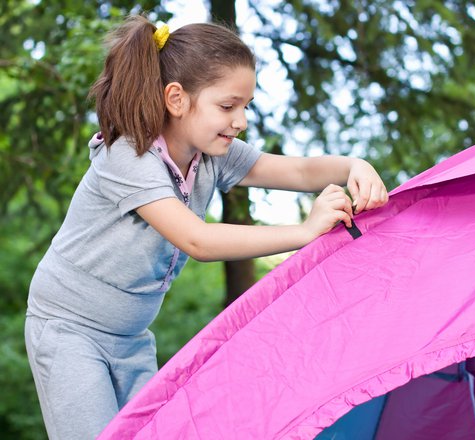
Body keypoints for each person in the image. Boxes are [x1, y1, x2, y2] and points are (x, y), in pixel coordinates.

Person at [24, 15, 388, 440]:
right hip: (68, 329)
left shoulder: (214, 155)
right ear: (176, 99)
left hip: (131, 337)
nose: (241, 121)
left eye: (246, 107)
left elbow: (301, 170)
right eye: (228, 106)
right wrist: (303, 232)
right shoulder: (128, 156)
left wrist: (352, 166)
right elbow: (197, 239)